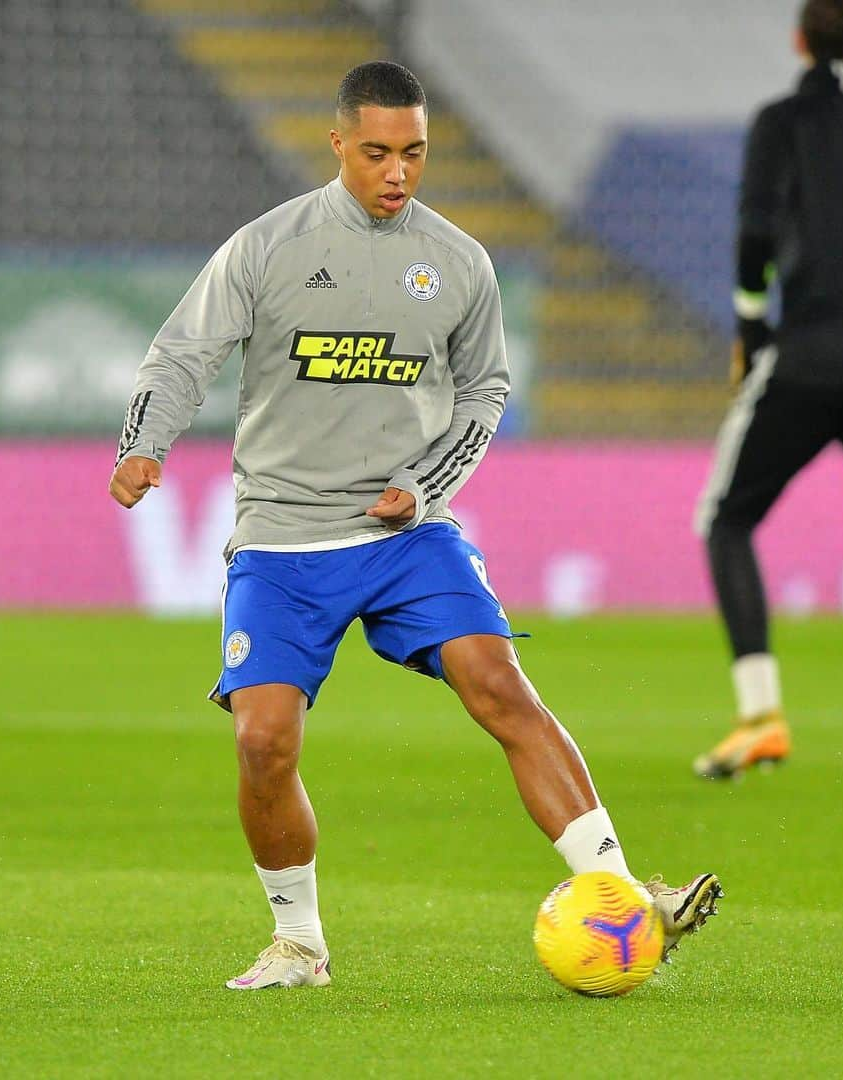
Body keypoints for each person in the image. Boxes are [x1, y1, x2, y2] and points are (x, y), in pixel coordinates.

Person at [110, 61, 721, 989]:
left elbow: (485, 389)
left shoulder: (461, 261)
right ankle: (299, 944)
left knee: (499, 683)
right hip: (282, 534)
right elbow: (183, 351)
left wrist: (424, 481)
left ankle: (624, 895)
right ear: (339, 144)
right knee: (262, 741)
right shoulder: (268, 246)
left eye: (415, 154)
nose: (398, 173)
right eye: (378, 154)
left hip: (405, 535)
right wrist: (144, 444)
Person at [694, 0, 843, 780]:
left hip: (811, 356)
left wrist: (752, 329)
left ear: (800, 40)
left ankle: (760, 717)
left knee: (728, 518)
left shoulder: (781, 122)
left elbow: (755, 233)